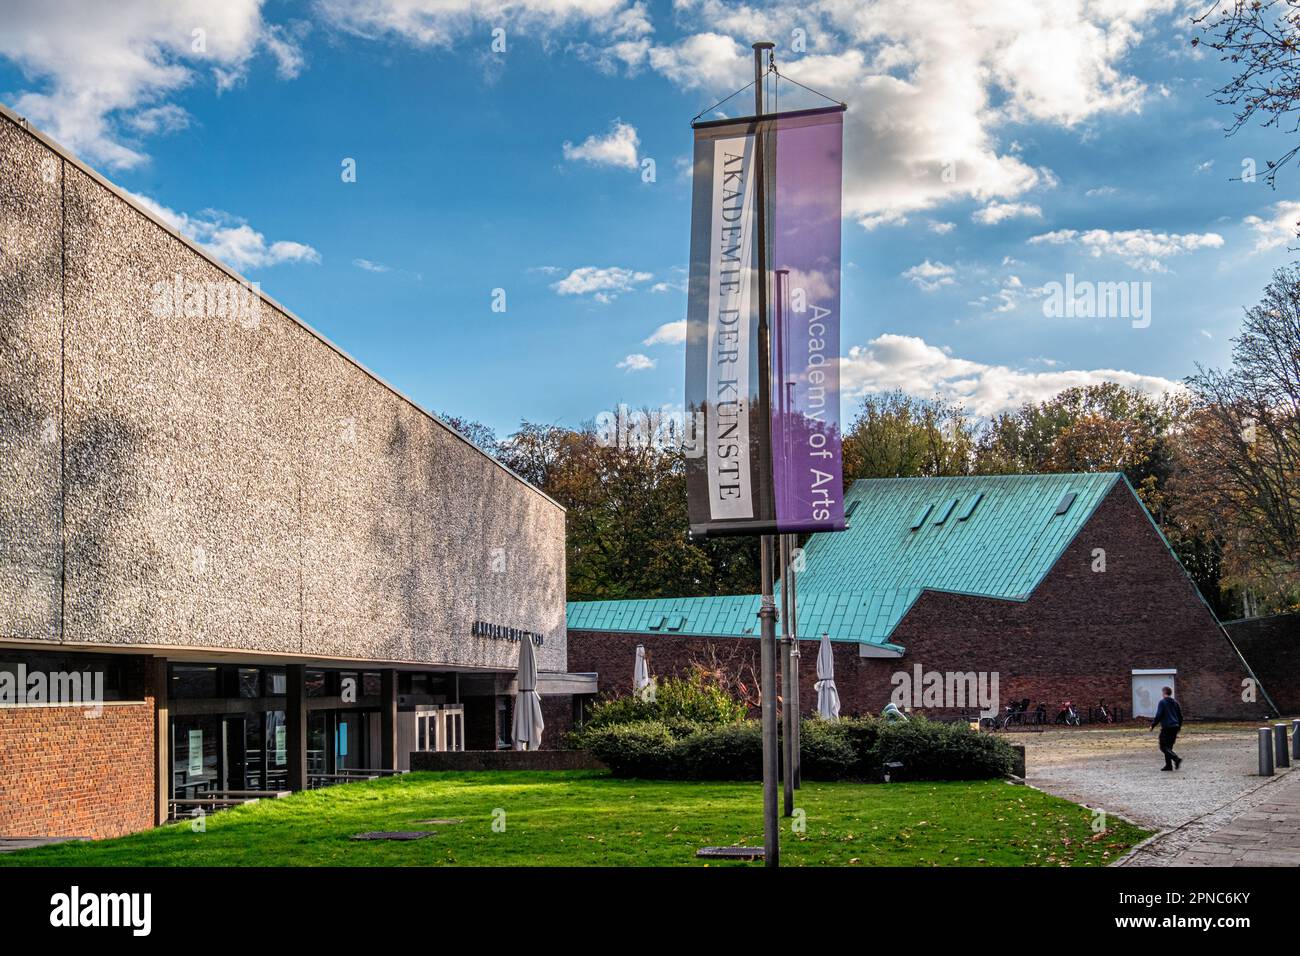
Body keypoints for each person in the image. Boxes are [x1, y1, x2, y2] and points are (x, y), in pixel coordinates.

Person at [1150, 686, 1183, 770]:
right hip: (1175, 726)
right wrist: (1179, 726)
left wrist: (1153, 725)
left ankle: (1176, 759)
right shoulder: (1175, 702)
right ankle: (1168, 765)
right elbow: (1180, 716)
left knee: (1163, 746)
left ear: (1164, 692)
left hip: (1167, 727)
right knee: (1169, 747)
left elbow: (1159, 715)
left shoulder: (1162, 702)